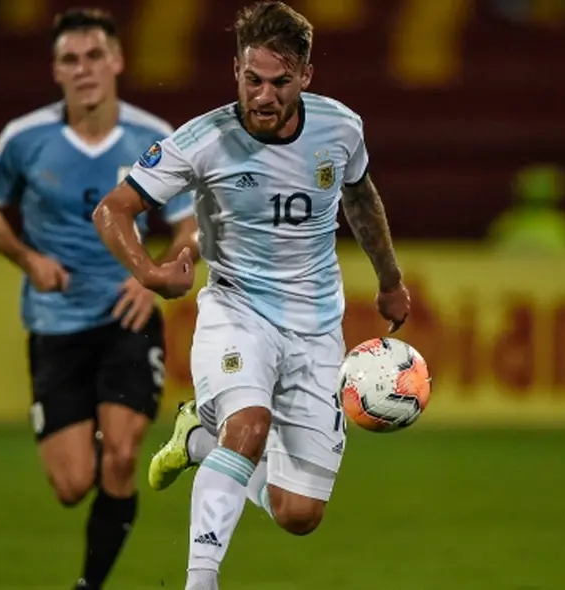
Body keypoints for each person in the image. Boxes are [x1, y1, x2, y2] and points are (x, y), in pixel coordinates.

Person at [92, 2, 411, 589]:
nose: (263, 96)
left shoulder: (340, 129)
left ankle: (200, 435)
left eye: (280, 82)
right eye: (251, 79)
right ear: (235, 69)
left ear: (306, 77)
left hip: (317, 329)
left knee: (299, 514)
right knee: (251, 421)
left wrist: (389, 280)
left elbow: (361, 200)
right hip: (236, 311)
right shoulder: (203, 140)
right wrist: (150, 272)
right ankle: (200, 580)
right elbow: (113, 209)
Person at [0, 8, 197, 590]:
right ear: (56, 70)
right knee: (72, 486)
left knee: (121, 455)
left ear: (117, 60)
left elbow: (192, 226)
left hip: (128, 315)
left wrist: (151, 272)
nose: (84, 68)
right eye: (71, 59)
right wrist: (28, 258)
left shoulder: (154, 138)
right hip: (55, 322)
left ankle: (87, 586)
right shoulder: (25, 140)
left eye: (95, 56)